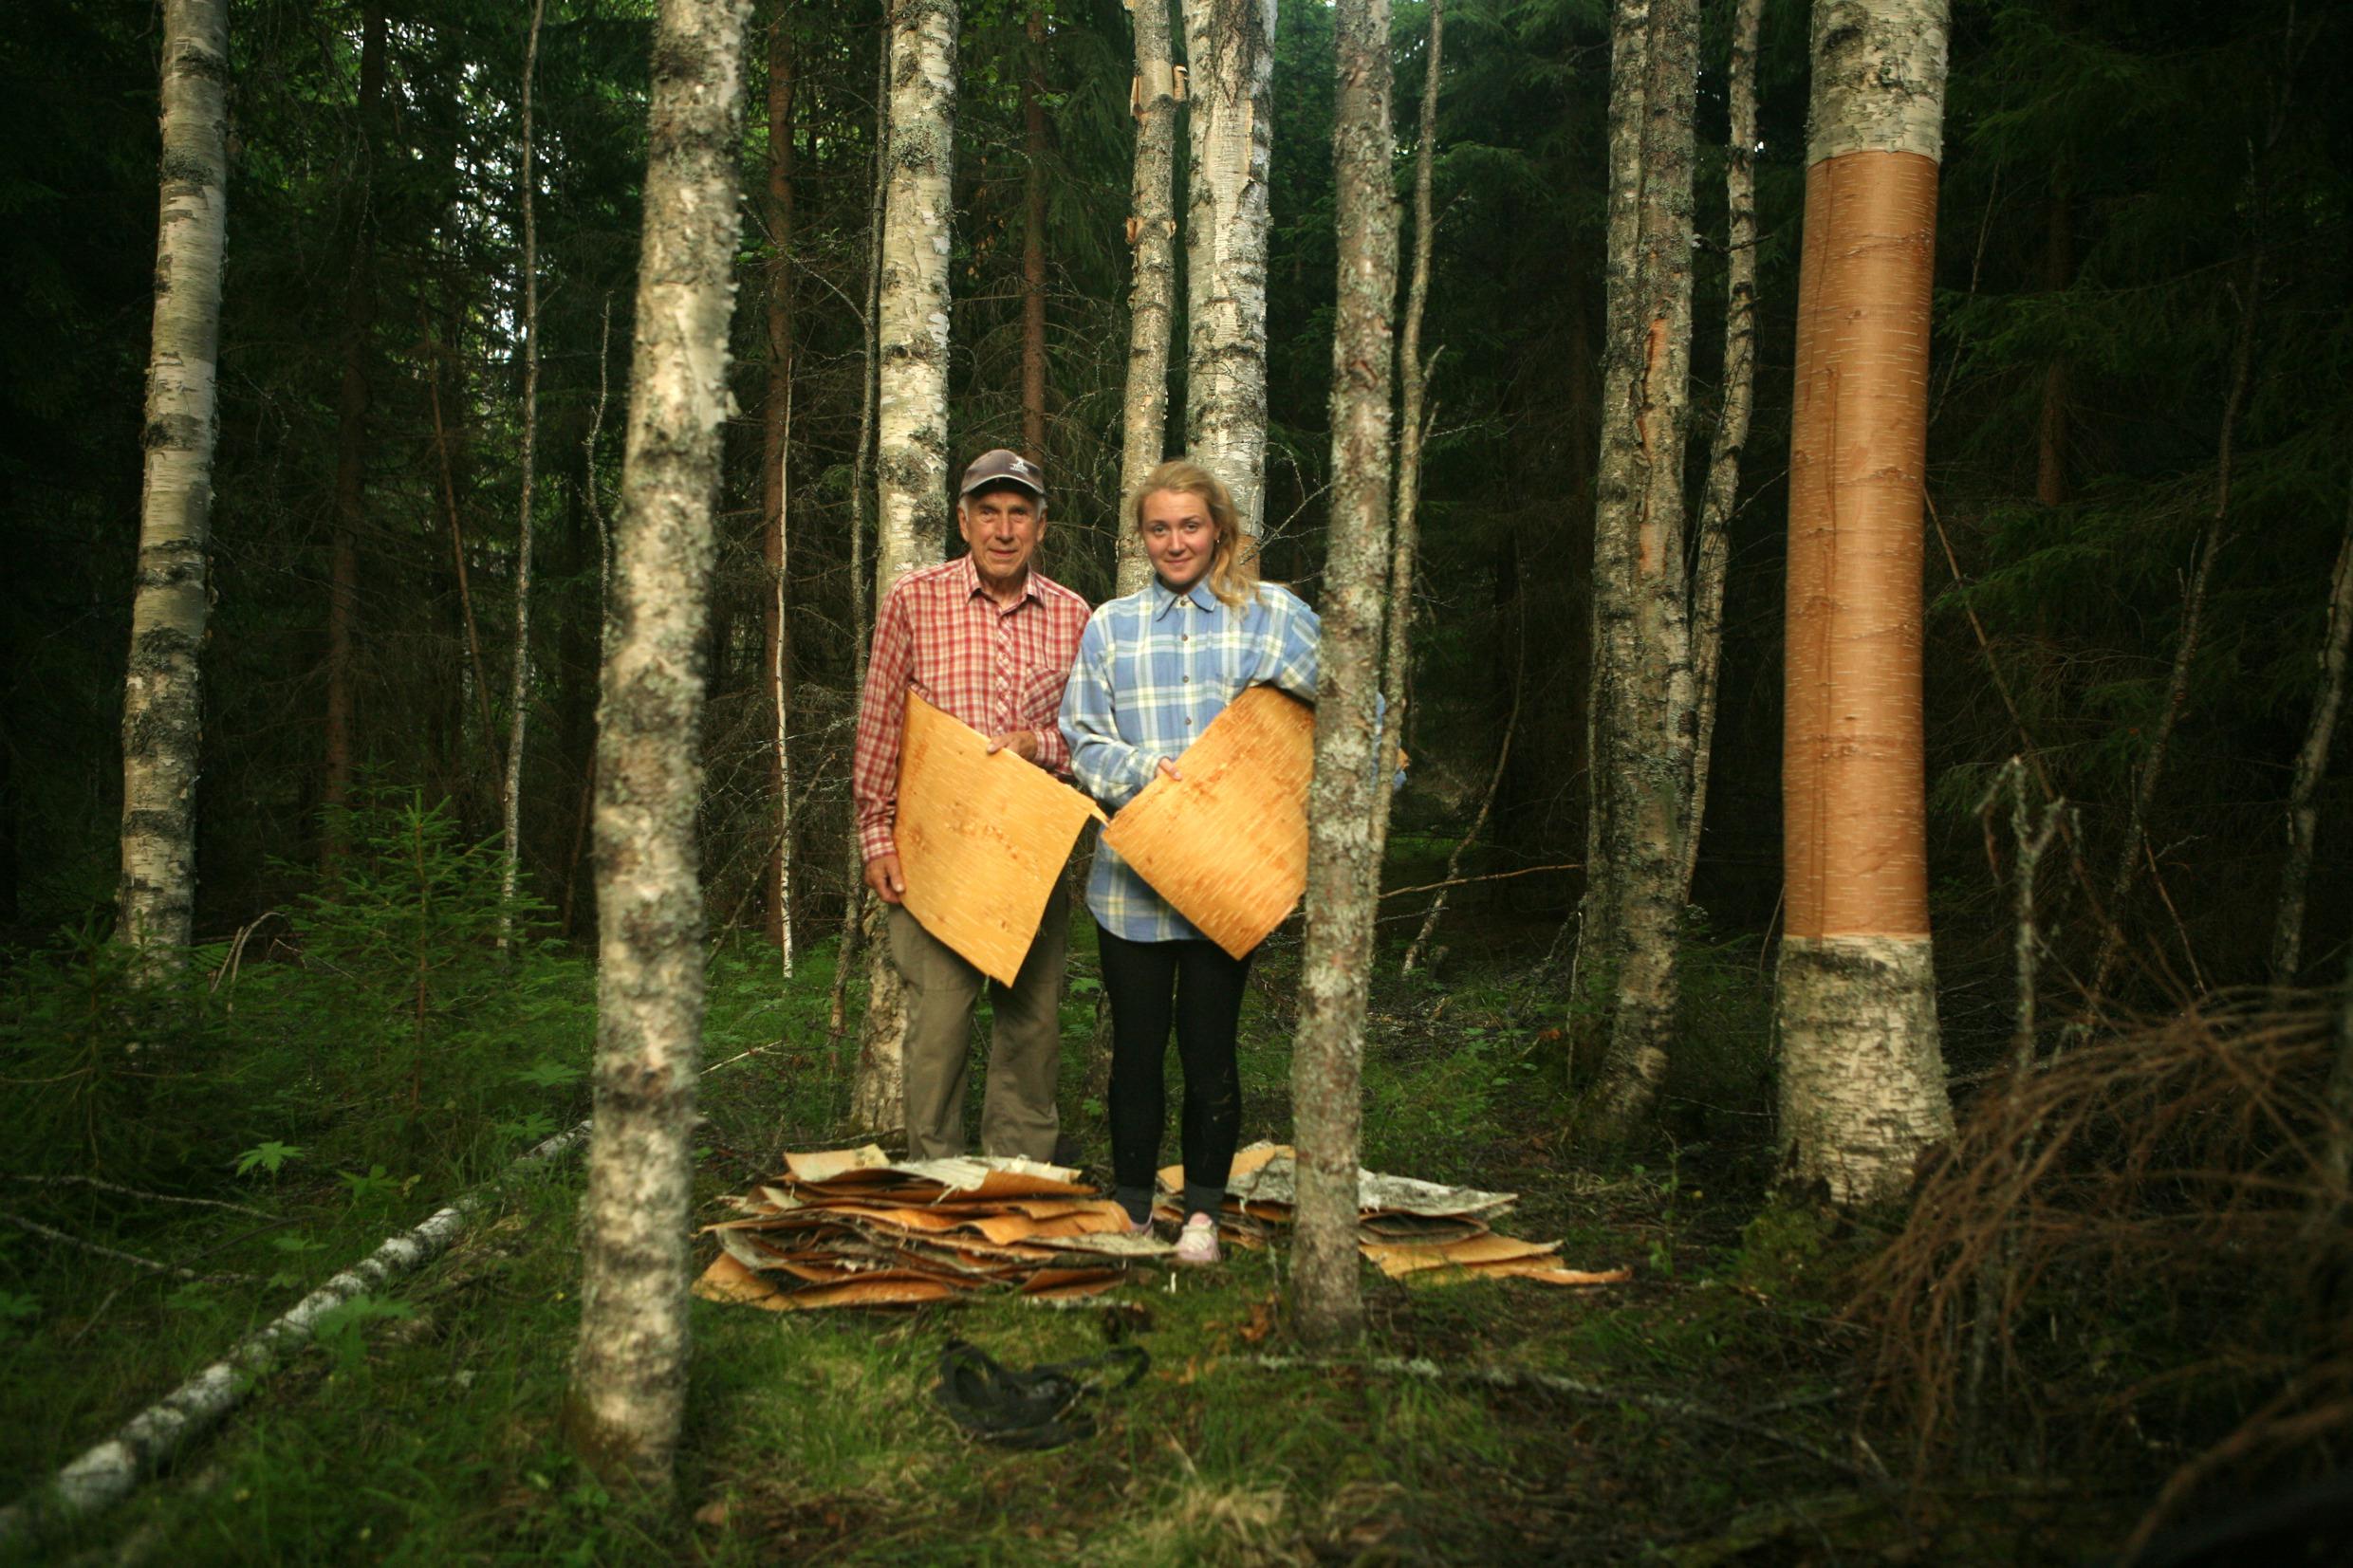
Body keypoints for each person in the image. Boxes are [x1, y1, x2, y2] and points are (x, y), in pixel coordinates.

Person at [1059, 458, 1323, 1265]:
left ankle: (1201, 1215)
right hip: (1131, 886)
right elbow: (1080, 740)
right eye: (1159, 527)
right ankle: (1134, 1210)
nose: (1176, 541)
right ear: (1142, 536)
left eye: (1191, 525)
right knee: (1136, 1056)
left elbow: (1354, 709)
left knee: (1211, 1052)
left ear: (1220, 530)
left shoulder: (1272, 616)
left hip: (1227, 885)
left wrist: (1346, 796)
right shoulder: (1111, 625)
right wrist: (1145, 771)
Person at [850, 449, 1091, 1162]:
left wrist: (1038, 745)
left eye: (1020, 512)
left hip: (1029, 851)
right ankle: (938, 1178)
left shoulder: (1074, 615)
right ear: (963, 520)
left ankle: (1017, 1177)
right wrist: (875, 835)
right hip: (937, 851)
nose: (1004, 528)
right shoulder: (913, 601)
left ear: (1041, 527)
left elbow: (1089, 739)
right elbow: (879, 722)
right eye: (989, 511)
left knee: (1032, 1025)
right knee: (940, 1025)